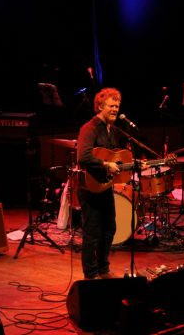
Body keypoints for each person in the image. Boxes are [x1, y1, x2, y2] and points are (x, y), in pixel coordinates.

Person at [76, 87, 123, 279]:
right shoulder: (90, 128)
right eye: (112, 106)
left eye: (117, 106)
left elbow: (113, 156)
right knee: (92, 232)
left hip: (105, 187)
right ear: (100, 106)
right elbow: (83, 157)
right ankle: (90, 273)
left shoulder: (111, 129)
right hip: (90, 188)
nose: (115, 109)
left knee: (109, 228)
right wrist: (106, 165)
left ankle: (103, 268)